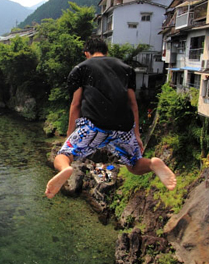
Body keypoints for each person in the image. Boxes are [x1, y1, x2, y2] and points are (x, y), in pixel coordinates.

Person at [45, 35, 176, 199]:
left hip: (94, 124)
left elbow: (76, 104)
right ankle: (152, 164)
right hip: (124, 126)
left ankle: (65, 169)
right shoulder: (126, 68)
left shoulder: (81, 69)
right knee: (134, 165)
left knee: (63, 155)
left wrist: (69, 135)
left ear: (86, 53)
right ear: (106, 51)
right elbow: (133, 104)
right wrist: (136, 134)